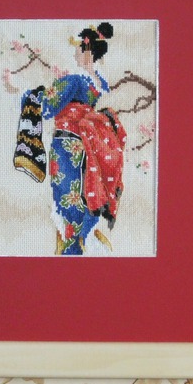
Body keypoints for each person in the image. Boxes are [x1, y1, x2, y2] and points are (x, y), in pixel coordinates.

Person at [14, 22, 126, 255]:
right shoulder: (98, 84)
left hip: (66, 145)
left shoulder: (75, 80)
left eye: (77, 49)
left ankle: (71, 246)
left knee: (67, 194)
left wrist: (29, 95)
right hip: (85, 144)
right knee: (81, 190)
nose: (75, 54)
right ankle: (82, 239)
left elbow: (47, 107)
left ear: (87, 51)